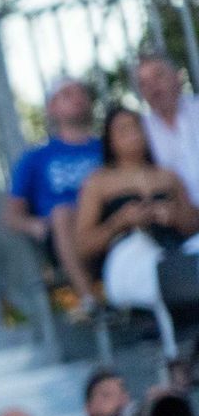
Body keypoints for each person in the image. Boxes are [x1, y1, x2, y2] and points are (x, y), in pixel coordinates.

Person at [75, 105, 199, 360]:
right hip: (129, 260)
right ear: (109, 138)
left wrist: (173, 214)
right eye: (122, 129)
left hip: (174, 249)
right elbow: (83, 246)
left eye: (136, 127)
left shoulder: (167, 176)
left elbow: (192, 224)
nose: (132, 134)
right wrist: (119, 222)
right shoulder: (98, 182)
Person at [2, 76, 101, 311]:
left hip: (106, 221)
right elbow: (11, 215)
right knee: (62, 214)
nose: (77, 99)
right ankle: (90, 300)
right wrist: (35, 226)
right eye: (67, 94)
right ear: (52, 107)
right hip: (64, 233)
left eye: (80, 93)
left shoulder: (106, 147)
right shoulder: (35, 159)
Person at [138, 53, 199, 201]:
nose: (153, 87)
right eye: (144, 83)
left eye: (158, 76)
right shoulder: (140, 131)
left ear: (177, 76)